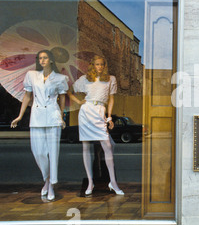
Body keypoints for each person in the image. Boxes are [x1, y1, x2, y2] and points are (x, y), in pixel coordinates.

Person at [11, 50, 68, 201]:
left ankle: (50, 185)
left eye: (45, 57)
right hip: (36, 116)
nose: (42, 60)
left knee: (53, 152)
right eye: (40, 58)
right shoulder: (31, 75)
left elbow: (62, 99)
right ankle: (47, 179)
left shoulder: (60, 78)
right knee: (39, 152)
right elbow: (27, 96)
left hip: (53, 116)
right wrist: (20, 115)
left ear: (51, 60)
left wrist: (62, 117)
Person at [68, 55, 124, 196]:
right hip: (86, 111)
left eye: (102, 64)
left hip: (100, 111)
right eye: (97, 64)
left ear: (105, 66)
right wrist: (79, 102)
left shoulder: (111, 79)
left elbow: (111, 99)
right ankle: (90, 182)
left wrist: (109, 117)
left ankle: (113, 182)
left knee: (107, 146)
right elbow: (69, 90)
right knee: (86, 147)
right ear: (92, 65)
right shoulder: (85, 79)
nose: (99, 67)